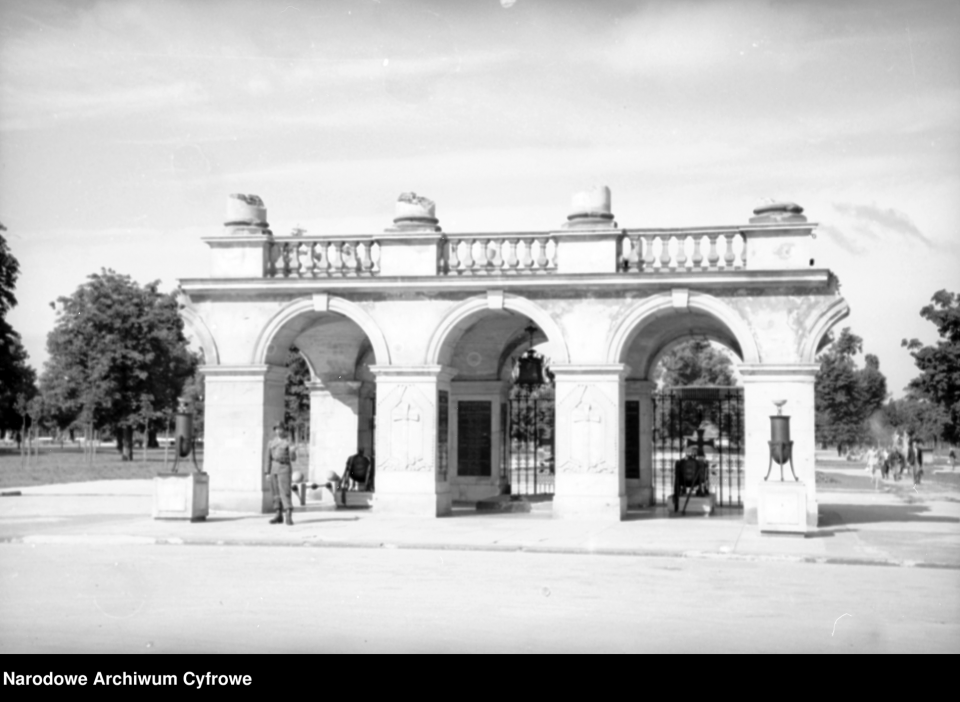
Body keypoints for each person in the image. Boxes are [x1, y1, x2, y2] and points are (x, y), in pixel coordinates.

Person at [265, 424, 297, 525]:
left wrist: (292, 452)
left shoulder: (288, 442)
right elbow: (268, 458)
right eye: (277, 429)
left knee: (285, 491)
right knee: (275, 493)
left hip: (284, 467)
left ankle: (288, 514)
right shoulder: (271, 443)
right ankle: (278, 514)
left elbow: (293, 459)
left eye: (281, 429)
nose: (279, 431)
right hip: (274, 468)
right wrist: (267, 472)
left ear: (284, 430)